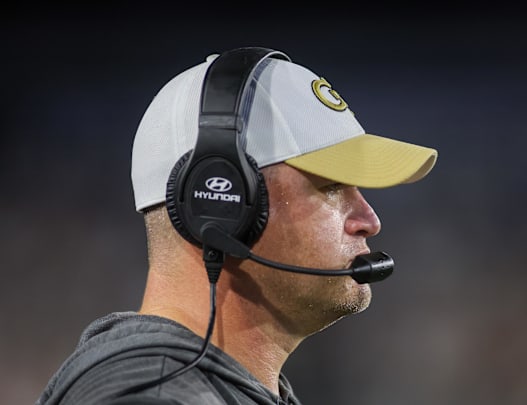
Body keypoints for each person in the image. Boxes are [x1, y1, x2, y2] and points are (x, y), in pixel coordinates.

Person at [36, 46, 437, 405]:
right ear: (220, 205)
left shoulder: (197, 386)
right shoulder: (152, 393)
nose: (369, 220)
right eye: (331, 187)